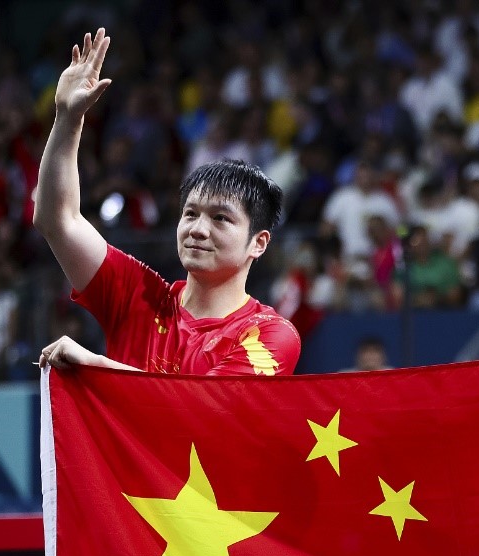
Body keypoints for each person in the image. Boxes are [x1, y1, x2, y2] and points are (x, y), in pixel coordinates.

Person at [35, 29, 299, 376]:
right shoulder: (138, 297)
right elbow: (58, 221)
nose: (198, 229)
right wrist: (68, 119)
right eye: (190, 213)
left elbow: (204, 406)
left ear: (259, 242)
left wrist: (99, 368)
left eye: (220, 218)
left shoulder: (271, 334)